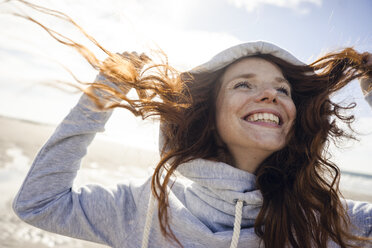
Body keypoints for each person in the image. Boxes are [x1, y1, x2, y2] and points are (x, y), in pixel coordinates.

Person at [10, 2, 372, 248]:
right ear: (209, 115)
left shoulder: (322, 220)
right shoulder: (145, 210)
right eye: (243, 84)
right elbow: (39, 203)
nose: (269, 95)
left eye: (283, 89)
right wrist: (102, 95)